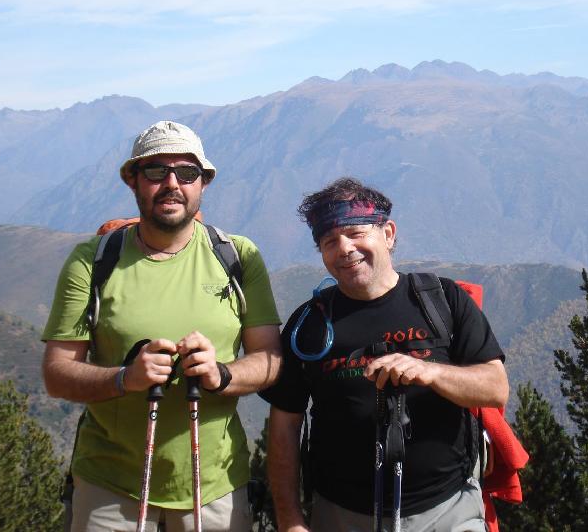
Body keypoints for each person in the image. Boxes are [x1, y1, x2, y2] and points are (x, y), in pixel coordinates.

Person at [42, 120, 282, 531]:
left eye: (186, 173)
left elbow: (271, 360)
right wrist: (124, 379)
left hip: (215, 482)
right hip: (110, 482)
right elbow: (57, 374)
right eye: (156, 171)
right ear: (133, 180)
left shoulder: (238, 257)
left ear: (203, 183)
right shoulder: (91, 261)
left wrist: (220, 373)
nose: (172, 183)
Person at [260, 177, 508, 532]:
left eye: (356, 233)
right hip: (341, 514)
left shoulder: (443, 300)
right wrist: (290, 520)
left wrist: (431, 372)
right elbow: (285, 428)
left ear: (388, 234)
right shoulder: (309, 326)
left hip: (447, 509)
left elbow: (495, 387)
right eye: (330, 241)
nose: (344, 248)